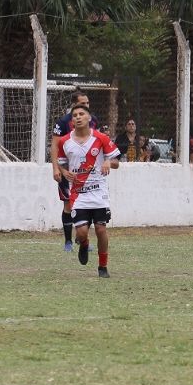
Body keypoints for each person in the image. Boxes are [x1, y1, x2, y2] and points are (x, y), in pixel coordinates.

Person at [56, 104, 120, 278]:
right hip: (78, 194)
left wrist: (108, 162)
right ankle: (83, 244)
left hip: (99, 191)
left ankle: (103, 266)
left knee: (101, 229)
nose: (78, 117)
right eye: (75, 114)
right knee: (82, 232)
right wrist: (63, 172)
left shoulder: (100, 138)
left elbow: (116, 162)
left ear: (89, 118)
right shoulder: (65, 142)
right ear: (72, 120)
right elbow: (61, 163)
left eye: (81, 114)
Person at [50, 91, 99, 252]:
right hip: (67, 171)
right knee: (69, 205)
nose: (86, 106)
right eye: (83, 103)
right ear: (74, 105)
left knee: (87, 205)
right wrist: (56, 168)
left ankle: (81, 238)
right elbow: (55, 146)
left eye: (88, 103)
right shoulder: (64, 122)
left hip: (87, 174)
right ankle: (68, 241)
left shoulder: (93, 121)